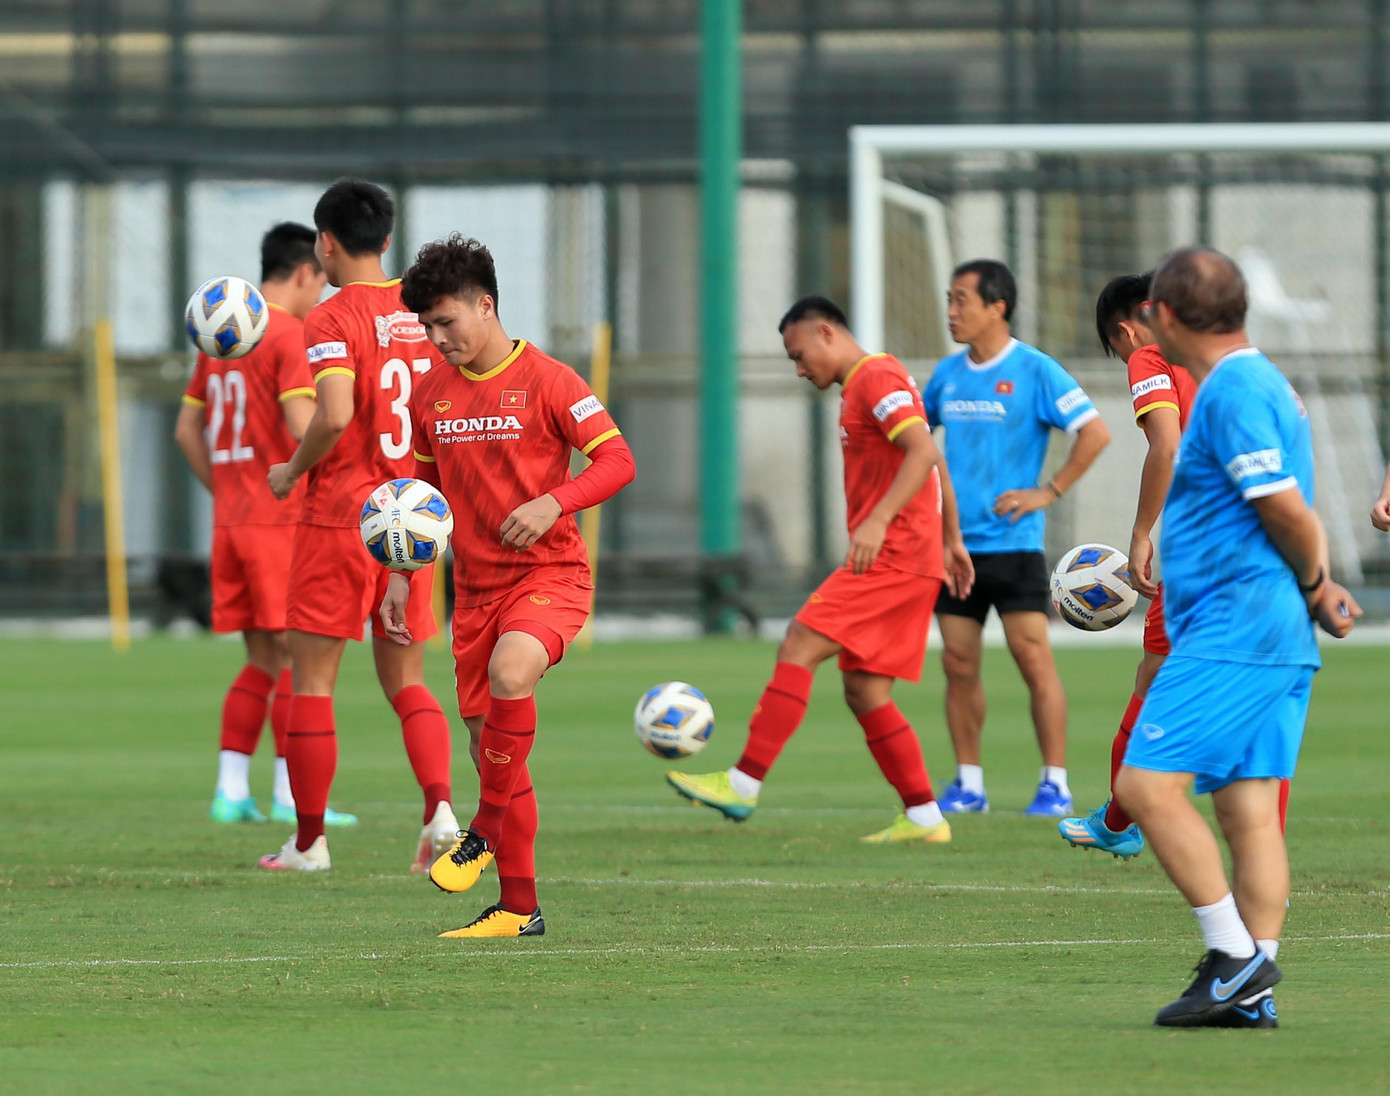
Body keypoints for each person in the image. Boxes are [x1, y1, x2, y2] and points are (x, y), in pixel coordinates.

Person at [1114, 247, 1359, 1029]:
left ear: (1170, 317)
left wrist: (1318, 582)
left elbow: (1281, 503)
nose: (1148, 322)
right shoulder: (1263, 380)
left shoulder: (1233, 389)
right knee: (1249, 811)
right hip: (1266, 629)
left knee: (1144, 787)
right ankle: (1253, 995)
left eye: (1153, 310)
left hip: (1238, 628)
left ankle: (1236, 960)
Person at [381, 233, 635, 938]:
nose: (436, 339)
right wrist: (404, 576)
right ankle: (519, 908)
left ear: (484, 305)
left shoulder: (551, 380)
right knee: (492, 747)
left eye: (446, 322)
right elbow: (424, 496)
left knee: (512, 672)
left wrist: (558, 500)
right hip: (478, 592)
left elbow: (617, 461)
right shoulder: (431, 395)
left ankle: (482, 829)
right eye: (426, 327)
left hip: (551, 575)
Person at [665, 296, 974, 844]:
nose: (800, 368)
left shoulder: (875, 377)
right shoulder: (872, 381)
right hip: (915, 554)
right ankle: (926, 816)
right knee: (865, 691)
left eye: (799, 354)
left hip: (894, 555)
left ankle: (743, 783)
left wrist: (879, 520)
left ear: (827, 333)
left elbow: (922, 449)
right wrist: (951, 539)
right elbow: (931, 454)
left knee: (800, 640)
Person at [258, 179, 456, 873]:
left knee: (312, 681)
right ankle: (441, 814)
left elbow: (335, 415)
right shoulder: (426, 313)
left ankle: (309, 842)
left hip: (344, 515)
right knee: (408, 681)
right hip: (415, 520)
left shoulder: (332, 318)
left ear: (327, 243)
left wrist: (290, 469)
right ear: (388, 240)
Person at [175, 222, 354, 829]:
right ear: (306, 271)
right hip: (279, 521)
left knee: (261, 660)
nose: (323, 294)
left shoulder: (220, 333)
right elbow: (308, 428)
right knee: (298, 662)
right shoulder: (289, 335)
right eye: (322, 282)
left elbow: (185, 431)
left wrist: (228, 494)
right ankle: (290, 796)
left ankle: (230, 792)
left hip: (231, 522)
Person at [923, 259, 1111, 817]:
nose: (951, 311)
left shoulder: (1036, 370)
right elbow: (914, 441)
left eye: (961, 300)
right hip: (957, 550)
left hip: (1015, 544)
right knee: (958, 663)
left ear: (997, 306)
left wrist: (1047, 492)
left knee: (1033, 659)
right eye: (950, 299)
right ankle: (969, 784)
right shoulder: (946, 376)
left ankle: (1055, 783)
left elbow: (1095, 434)